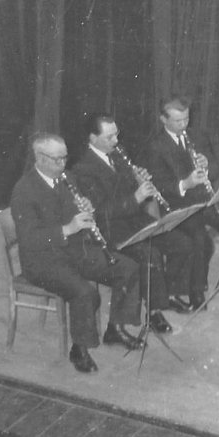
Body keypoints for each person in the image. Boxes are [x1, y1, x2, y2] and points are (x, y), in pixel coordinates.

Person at [10, 133, 143, 373]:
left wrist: (87, 209)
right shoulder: (24, 189)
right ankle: (79, 349)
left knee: (127, 268)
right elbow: (29, 239)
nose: (63, 164)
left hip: (74, 249)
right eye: (57, 159)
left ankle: (116, 327)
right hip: (42, 260)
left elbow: (78, 211)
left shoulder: (67, 177)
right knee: (85, 292)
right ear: (40, 158)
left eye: (65, 157)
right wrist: (68, 228)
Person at [72, 113, 198, 333]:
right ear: (93, 138)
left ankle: (165, 295)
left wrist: (139, 180)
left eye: (117, 134)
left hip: (134, 221)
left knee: (182, 243)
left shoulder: (118, 155)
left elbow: (127, 188)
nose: (116, 141)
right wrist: (137, 197)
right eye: (109, 137)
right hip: (109, 230)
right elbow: (100, 214)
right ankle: (144, 316)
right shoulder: (83, 169)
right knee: (149, 254)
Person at [144, 96, 219, 309]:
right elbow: (157, 185)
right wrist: (184, 184)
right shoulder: (155, 146)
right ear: (163, 119)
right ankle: (195, 291)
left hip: (206, 200)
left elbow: (215, 169)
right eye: (178, 121)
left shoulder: (197, 135)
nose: (183, 125)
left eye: (186, 119)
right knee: (200, 240)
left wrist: (207, 165)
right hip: (178, 206)